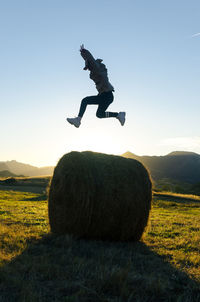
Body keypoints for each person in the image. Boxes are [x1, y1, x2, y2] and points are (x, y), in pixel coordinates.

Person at [67, 44, 126, 128]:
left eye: (88, 67)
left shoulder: (97, 70)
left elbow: (91, 60)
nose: (88, 69)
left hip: (107, 96)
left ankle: (78, 120)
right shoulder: (96, 71)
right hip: (105, 96)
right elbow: (91, 62)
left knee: (85, 100)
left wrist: (84, 52)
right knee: (99, 114)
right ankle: (119, 115)